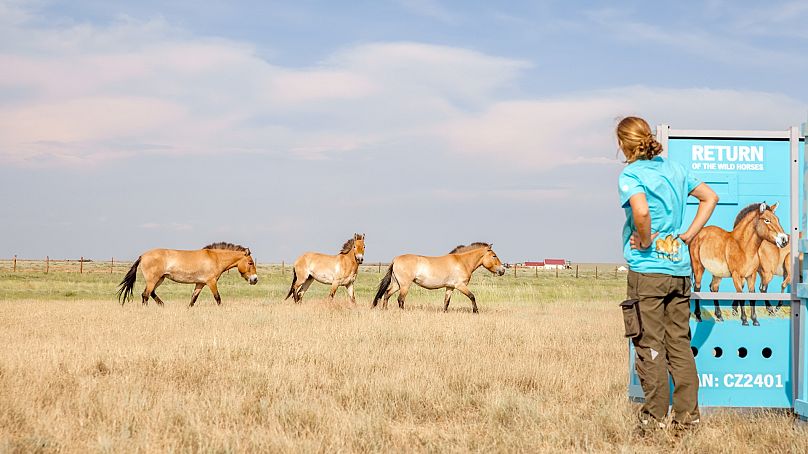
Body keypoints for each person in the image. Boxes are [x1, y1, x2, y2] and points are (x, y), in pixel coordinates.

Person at [616, 116, 719, 432]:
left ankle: (654, 419)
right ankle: (688, 418)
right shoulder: (675, 169)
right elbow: (710, 197)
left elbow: (642, 211)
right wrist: (687, 235)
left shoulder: (631, 174)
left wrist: (645, 240)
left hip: (648, 272)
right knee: (679, 344)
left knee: (649, 344)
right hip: (679, 271)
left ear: (623, 144)